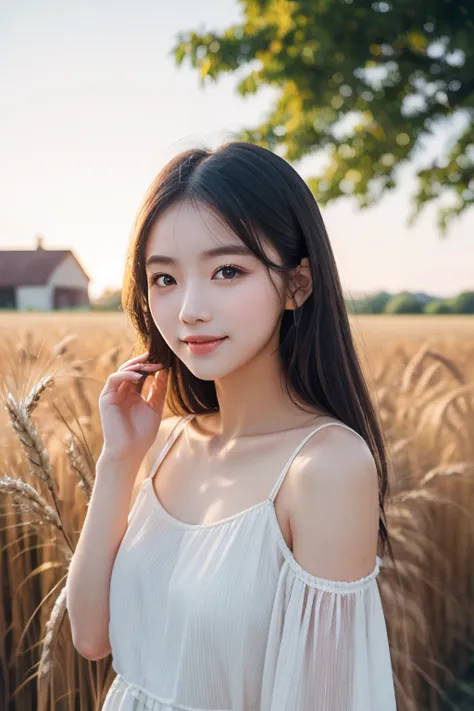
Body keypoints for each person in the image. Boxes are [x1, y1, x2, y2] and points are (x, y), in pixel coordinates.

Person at [66, 141, 398, 710]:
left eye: (227, 270)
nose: (190, 308)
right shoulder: (163, 442)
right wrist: (117, 461)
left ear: (298, 283)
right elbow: (92, 636)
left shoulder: (326, 470)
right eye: (164, 279)